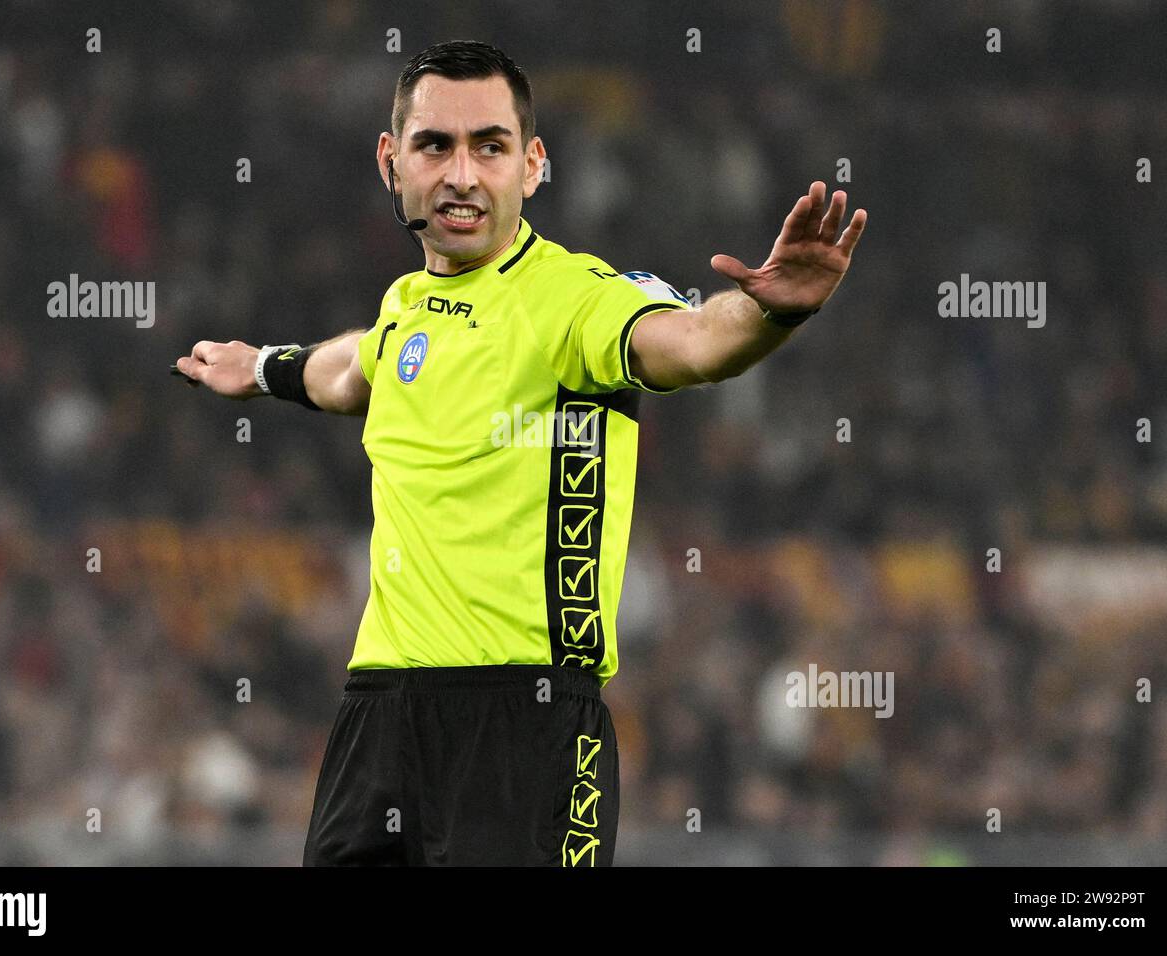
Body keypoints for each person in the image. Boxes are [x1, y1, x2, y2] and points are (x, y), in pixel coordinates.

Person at [173, 39, 867, 866]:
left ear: (533, 166)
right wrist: (258, 368)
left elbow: (690, 343)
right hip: (379, 713)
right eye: (436, 145)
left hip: (525, 722)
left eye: (490, 147)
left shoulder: (575, 301)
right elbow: (354, 369)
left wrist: (769, 314)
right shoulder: (407, 307)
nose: (462, 174)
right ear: (392, 163)